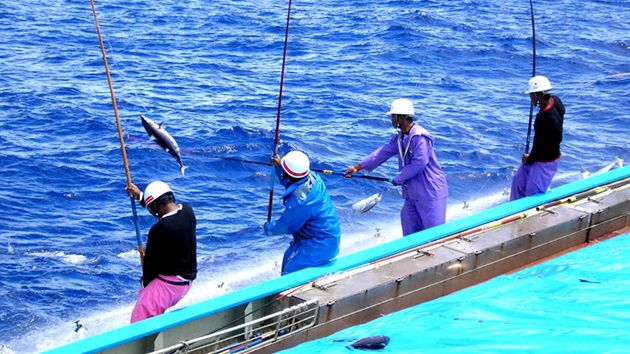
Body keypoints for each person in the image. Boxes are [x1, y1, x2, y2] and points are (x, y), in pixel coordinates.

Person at [344, 98, 448, 236]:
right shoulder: (400, 137)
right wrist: (358, 167)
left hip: (430, 193)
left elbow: (419, 163)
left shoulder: (420, 137)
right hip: (412, 194)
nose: (392, 120)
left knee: (435, 236)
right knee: (409, 230)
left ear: (401, 117)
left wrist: (398, 178)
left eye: (393, 116)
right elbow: (383, 152)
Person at [125, 181, 197, 323]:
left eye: (153, 208)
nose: (152, 211)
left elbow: (150, 266)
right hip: (186, 282)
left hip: (170, 286)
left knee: (139, 317)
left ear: (158, 205)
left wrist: (145, 285)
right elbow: (166, 218)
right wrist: (141, 197)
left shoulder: (158, 230)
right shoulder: (187, 210)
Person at [264, 150, 341, 275]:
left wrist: (268, 228)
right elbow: (292, 180)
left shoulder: (299, 203)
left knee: (290, 271)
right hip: (323, 237)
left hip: (321, 244)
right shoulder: (313, 177)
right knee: (288, 257)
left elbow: (286, 226)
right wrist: (279, 167)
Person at [510, 75, 565, 201]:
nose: (531, 98)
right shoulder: (556, 100)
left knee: (532, 195)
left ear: (539, 95)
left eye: (532, 95)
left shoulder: (545, 119)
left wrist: (531, 158)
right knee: (518, 184)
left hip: (545, 161)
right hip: (536, 156)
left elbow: (552, 142)